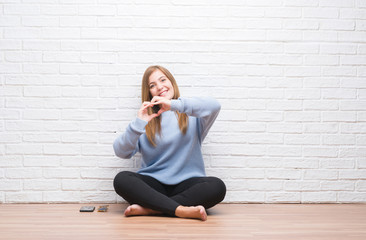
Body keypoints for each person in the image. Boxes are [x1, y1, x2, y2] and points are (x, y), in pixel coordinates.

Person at [113, 65, 226, 221]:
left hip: (188, 184)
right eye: (152, 85)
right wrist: (138, 124)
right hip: (153, 186)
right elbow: (121, 152)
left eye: (163, 80)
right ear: (149, 92)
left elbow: (214, 106)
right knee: (121, 179)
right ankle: (180, 209)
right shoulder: (145, 121)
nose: (160, 87)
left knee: (217, 187)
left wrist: (174, 104)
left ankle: (153, 209)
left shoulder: (191, 115)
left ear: (171, 81)